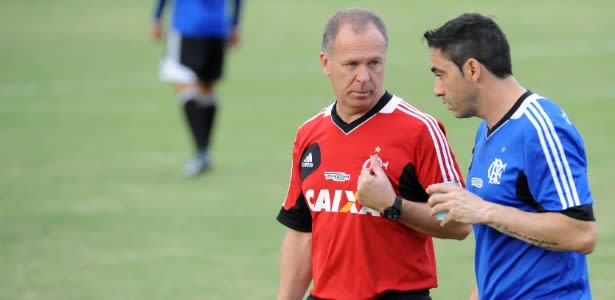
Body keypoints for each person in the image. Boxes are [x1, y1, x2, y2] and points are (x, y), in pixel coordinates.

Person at [358, 12, 597, 300]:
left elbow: (581, 234)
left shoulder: (542, 128)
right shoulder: (487, 130)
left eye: (441, 74)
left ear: (472, 69)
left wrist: (482, 210)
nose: (437, 90)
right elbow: (499, 243)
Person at [276, 8, 471, 300]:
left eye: (374, 63)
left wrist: (392, 205)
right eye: (351, 64)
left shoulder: (420, 130)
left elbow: (459, 224)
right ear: (326, 63)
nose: (364, 77)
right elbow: (301, 233)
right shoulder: (309, 134)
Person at [151, 0, 242, 177]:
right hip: (216, 27)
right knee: (207, 89)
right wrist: (235, 23)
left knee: (183, 83)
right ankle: (204, 152)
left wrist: (157, 16)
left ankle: (201, 152)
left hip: (187, 27)